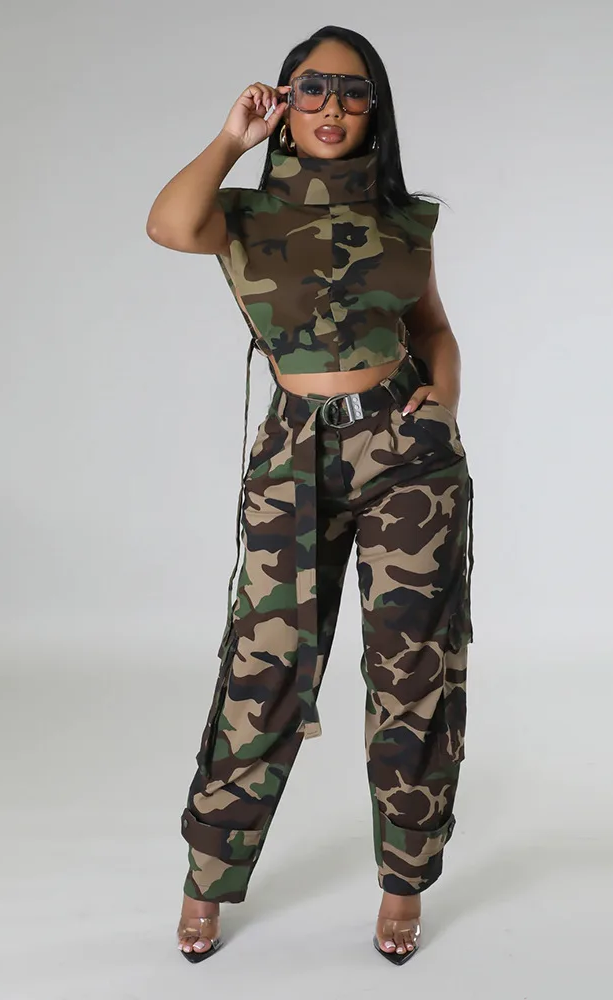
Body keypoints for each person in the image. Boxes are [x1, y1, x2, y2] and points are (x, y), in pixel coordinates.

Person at [146, 24, 473, 966]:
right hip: (295, 451)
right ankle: (209, 876)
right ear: (285, 102)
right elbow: (168, 226)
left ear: (376, 109)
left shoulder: (405, 219)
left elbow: (432, 327)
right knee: (265, 669)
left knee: (414, 669)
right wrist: (231, 138)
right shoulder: (242, 213)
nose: (334, 106)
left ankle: (405, 881)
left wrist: (444, 396)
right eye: (313, 88)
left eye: (353, 91)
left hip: (408, 455)